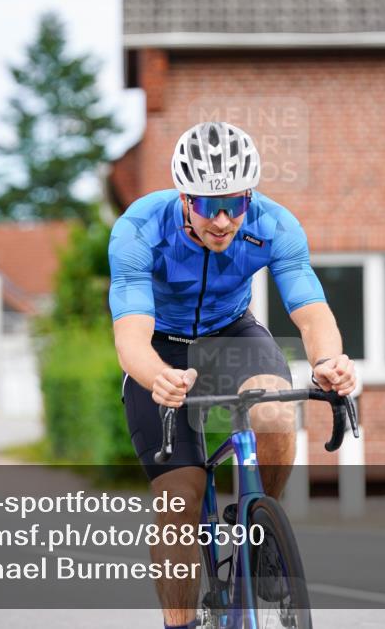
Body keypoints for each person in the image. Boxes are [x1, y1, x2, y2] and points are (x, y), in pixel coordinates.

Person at [108, 121, 357, 629]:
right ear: (184, 198)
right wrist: (158, 376)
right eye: (208, 205)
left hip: (233, 332)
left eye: (235, 203)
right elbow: (131, 339)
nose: (223, 221)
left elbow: (311, 311)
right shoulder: (138, 229)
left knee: (274, 411)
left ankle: (264, 530)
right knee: (179, 498)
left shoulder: (275, 224)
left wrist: (328, 361)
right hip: (161, 346)